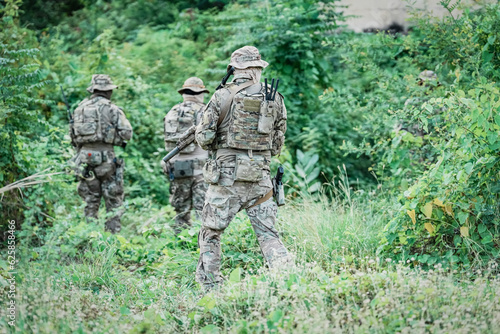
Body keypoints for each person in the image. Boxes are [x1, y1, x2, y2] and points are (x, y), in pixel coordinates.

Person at [195, 46, 290, 289]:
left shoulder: (221, 96)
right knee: (268, 235)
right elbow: (277, 144)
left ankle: (210, 290)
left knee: (211, 233)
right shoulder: (275, 98)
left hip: (226, 180)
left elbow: (204, 138)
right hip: (260, 179)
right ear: (257, 69)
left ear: (236, 69)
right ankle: (288, 282)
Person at [70, 74, 133, 233]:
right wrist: (115, 138)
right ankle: (112, 238)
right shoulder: (112, 109)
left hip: (84, 159)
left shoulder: (79, 108)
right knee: (113, 200)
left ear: (93, 90)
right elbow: (127, 133)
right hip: (106, 160)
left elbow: (73, 137)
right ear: (108, 91)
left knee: (90, 200)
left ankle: (88, 236)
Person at [162, 77, 209, 234]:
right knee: (204, 212)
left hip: (176, 167)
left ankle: (180, 244)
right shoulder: (204, 111)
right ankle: (202, 246)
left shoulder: (172, 111)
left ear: (184, 93)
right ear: (200, 93)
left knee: (181, 212)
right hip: (199, 168)